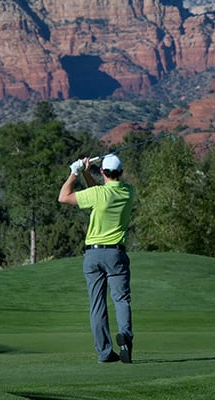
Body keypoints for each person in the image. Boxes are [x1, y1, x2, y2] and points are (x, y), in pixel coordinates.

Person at [58, 153, 135, 364]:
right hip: (116, 254)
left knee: (97, 304)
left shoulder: (98, 194)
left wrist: (75, 172)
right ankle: (125, 338)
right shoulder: (129, 192)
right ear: (121, 173)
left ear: (102, 172)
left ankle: (104, 352)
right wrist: (85, 172)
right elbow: (98, 191)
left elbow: (64, 196)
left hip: (93, 255)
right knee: (121, 299)